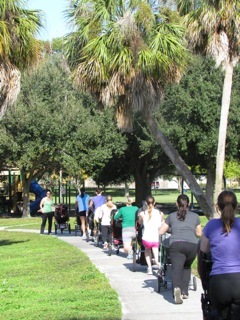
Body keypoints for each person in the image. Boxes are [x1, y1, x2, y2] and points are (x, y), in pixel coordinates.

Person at [200, 190, 240, 319]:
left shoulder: (211, 225)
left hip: (219, 281)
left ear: (218, 206)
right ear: (236, 205)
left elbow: (203, 249)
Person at [159, 194, 202, 304]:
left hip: (176, 244)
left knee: (177, 268)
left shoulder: (172, 216)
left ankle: (176, 288)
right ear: (188, 204)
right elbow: (199, 233)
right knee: (186, 267)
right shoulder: (195, 216)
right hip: (192, 245)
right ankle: (185, 291)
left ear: (177, 204)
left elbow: (161, 231)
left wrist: (171, 229)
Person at [138, 195, 164, 275]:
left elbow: (139, 223)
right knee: (156, 256)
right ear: (154, 203)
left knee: (147, 251)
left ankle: (149, 268)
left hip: (146, 238)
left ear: (145, 203)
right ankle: (158, 264)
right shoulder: (160, 213)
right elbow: (162, 222)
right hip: (155, 238)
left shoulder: (142, 213)